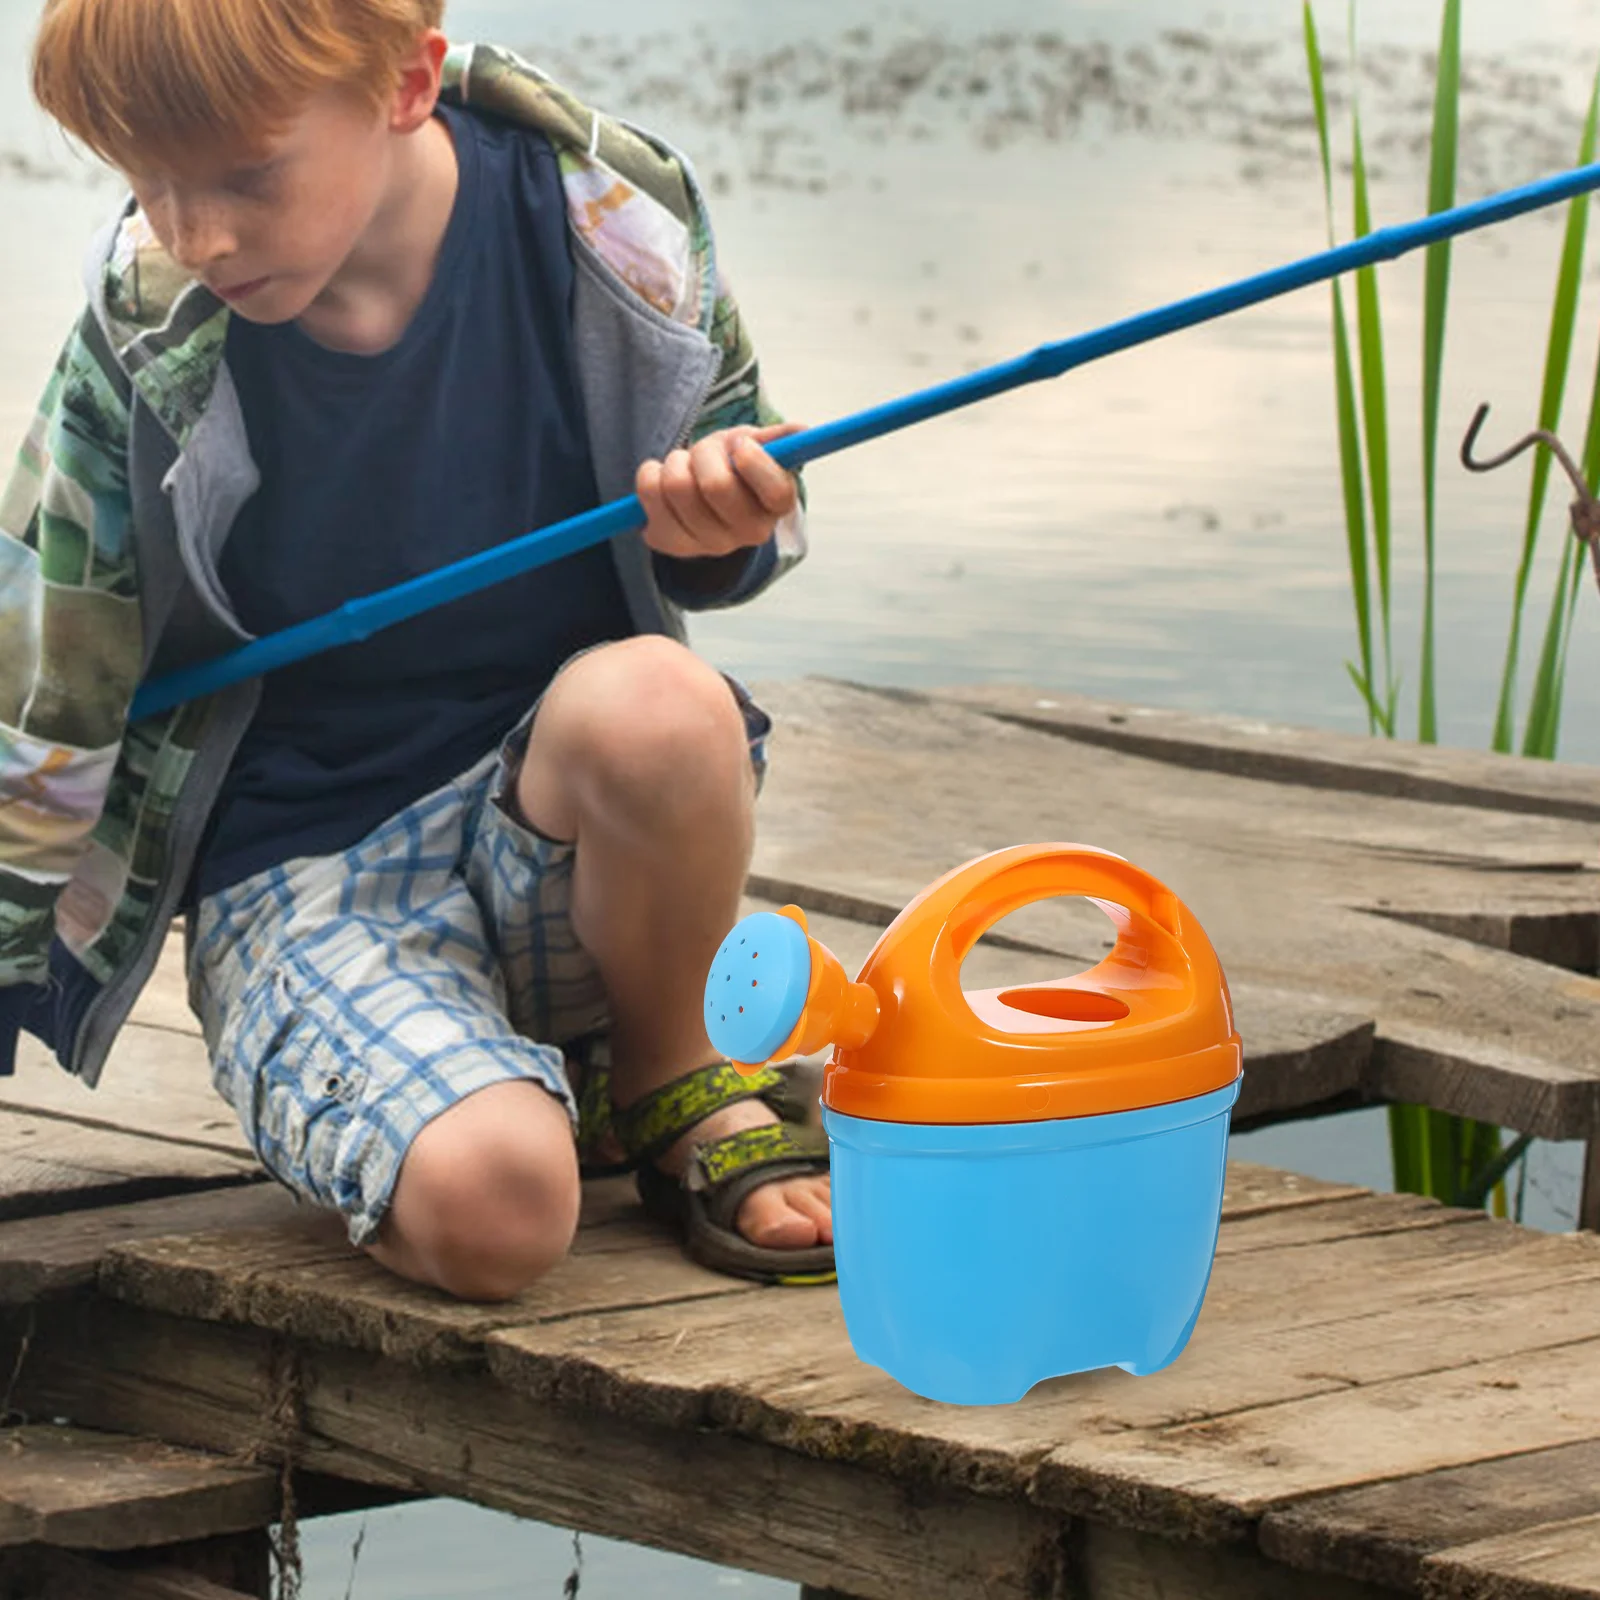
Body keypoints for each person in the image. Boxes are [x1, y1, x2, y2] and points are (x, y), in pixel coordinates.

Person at [0, 0, 833, 1299]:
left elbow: (742, 527)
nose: (196, 233)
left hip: (577, 856)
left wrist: (718, 521)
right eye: (149, 183)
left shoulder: (612, 215)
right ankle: (461, 1104)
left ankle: (666, 1075)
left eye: (243, 176)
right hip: (307, 881)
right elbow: (46, 680)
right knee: (503, 1213)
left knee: (662, 701)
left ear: (402, 84)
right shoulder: (150, 317)